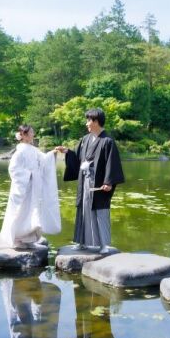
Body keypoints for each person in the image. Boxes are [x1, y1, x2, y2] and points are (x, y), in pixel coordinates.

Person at [57, 108, 124, 253]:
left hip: (99, 182)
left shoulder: (107, 141)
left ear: (96, 121)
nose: (86, 123)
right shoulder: (85, 139)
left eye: (89, 120)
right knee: (83, 210)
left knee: (100, 211)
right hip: (85, 180)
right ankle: (81, 242)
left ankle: (104, 244)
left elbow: (112, 163)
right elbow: (78, 158)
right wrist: (68, 152)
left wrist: (109, 182)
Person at [0, 125, 61, 248]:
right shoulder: (20, 151)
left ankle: (29, 239)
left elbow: (44, 160)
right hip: (24, 187)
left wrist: (54, 151)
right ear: (23, 135)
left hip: (34, 187)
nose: (33, 134)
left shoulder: (33, 150)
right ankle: (17, 239)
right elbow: (13, 169)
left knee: (32, 211)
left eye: (33, 132)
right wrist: (29, 175)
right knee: (21, 211)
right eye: (31, 132)